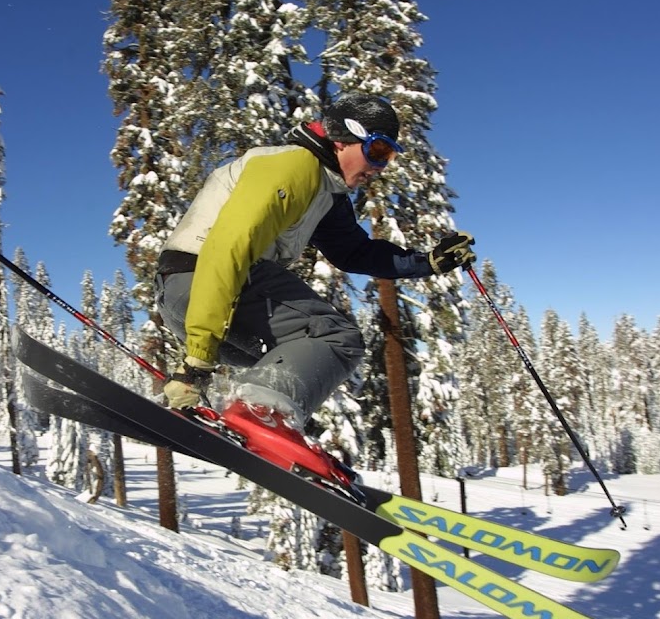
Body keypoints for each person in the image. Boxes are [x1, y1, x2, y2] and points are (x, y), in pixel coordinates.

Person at [154, 93, 476, 473]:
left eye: (389, 156)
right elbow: (228, 248)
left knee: (299, 360)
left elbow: (355, 252)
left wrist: (427, 263)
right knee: (336, 336)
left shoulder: (325, 192)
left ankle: (263, 425)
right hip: (203, 278)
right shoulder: (293, 166)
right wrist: (196, 361)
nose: (380, 166)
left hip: (194, 295)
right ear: (341, 137)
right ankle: (260, 415)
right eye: (377, 150)